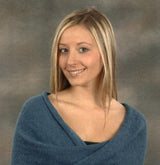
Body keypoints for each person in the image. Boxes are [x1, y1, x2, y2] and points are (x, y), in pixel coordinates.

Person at [11, 8, 147, 165]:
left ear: (105, 53)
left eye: (83, 49)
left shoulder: (134, 126)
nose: (70, 61)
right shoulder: (36, 113)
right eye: (64, 50)